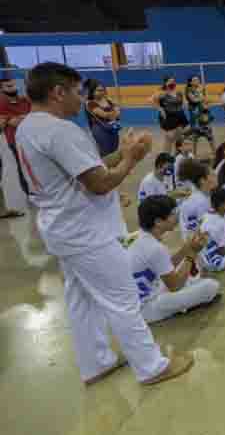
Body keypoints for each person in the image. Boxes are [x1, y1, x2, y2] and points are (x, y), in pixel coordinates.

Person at [16, 62, 191, 385]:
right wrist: (133, 159)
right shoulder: (60, 130)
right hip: (86, 232)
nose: (81, 100)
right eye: (76, 92)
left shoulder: (29, 126)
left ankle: (95, 363)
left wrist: (121, 153)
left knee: (81, 299)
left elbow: (84, 169)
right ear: (58, 92)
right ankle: (152, 366)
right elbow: (99, 182)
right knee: (122, 298)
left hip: (62, 228)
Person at [128, 195, 221, 323]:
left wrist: (187, 248)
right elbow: (175, 285)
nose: (176, 217)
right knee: (211, 286)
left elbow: (163, 266)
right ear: (158, 221)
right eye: (172, 214)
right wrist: (192, 253)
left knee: (190, 273)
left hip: (137, 299)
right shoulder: (155, 248)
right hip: (147, 308)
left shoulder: (137, 236)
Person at [0, 77, 32, 209]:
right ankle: (30, 194)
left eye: (13, 85)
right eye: (8, 86)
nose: (13, 88)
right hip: (15, 140)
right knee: (22, 166)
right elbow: (13, 123)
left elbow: (34, 116)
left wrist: (19, 118)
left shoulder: (24, 100)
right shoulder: (1, 102)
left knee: (34, 165)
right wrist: (23, 118)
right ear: (1, 89)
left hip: (31, 138)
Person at [177, 158, 216, 239]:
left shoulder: (204, 196)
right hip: (199, 247)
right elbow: (197, 234)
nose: (216, 176)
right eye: (212, 175)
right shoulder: (199, 202)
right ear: (203, 180)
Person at [83, 79, 121, 157]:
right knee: (105, 153)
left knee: (114, 151)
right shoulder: (90, 103)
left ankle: (113, 168)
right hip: (100, 131)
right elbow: (105, 115)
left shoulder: (108, 100)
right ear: (92, 91)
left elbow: (117, 112)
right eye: (98, 90)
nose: (101, 92)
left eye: (103, 90)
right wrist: (114, 112)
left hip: (112, 129)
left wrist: (114, 112)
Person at [151, 76, 188, 154]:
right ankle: (166, 157)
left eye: (173, 81)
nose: (172, 83)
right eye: (170, 81)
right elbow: (151, 100)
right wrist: (160, 110)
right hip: (168, 118)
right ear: (165, 83)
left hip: (180, 116)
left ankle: (178, 155)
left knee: (179, 138)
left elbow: (183, 101)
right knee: (169, 138)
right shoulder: (161, 93)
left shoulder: (178, 92)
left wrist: (185, 104)